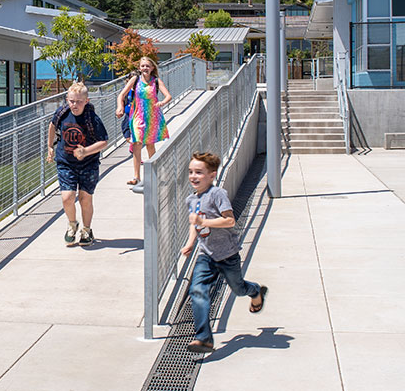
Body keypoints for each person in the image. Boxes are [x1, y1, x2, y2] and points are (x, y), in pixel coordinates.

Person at [180, 151, 267, 353]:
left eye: (199, 172)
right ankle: (204, 339)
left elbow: (229, 220)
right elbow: (194, 224)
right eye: (191, 172)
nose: (193, 176)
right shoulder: (190, 200)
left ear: (212, 175)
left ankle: (255, 290)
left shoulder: (217, 194)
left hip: (227, 255)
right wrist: (191, 243)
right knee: (198, 290)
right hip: (206, 255)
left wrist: (204, 222)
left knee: (238, 289)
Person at [46, 82, 109, 246]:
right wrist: (49, 147)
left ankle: (87, 230)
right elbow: (52, 125)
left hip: (88, 163)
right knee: (67, 197)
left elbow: (104, 141)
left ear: (86, 101)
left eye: (79, 101)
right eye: (72, 101)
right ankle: (72, 224)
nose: (75, 105)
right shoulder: (62, 113)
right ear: (67, 99)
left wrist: (86, 151)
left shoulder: (92, 118)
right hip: (66, 162)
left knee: (84, 198)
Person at [116, 57, 171, 187]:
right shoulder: (135, 80)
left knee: (150, 145)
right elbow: (121, 95)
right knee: (137, 143)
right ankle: (136, 177)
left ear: (152, 68)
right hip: (137, 116)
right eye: (142, 66)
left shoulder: (156, 81)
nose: (145, 68)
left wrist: (162, 102)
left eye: (147, 66)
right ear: (139, 68)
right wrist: (120, 107)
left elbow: (168, 95)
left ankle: (154, 174)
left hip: (152, 117)